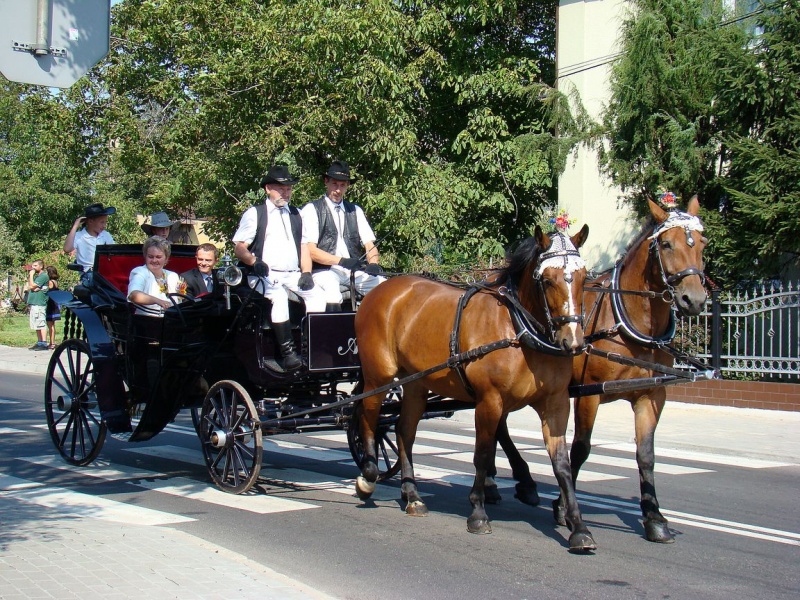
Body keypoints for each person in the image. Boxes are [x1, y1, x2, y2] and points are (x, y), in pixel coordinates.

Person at [233, 165, 326, 370]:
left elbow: (303, 247)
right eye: (281, 188)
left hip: (292, 274)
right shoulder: (255, 213)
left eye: (289, 188)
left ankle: (311, 349)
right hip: (265, 274)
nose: (286, 192)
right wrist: (254, 262)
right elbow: (240, 247)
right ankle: (288, 353)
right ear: (268, 188)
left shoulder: (297, 214)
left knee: (318, 296)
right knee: (279, 296)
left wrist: (307, 272)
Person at [300, 160, 385, 311]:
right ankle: (335, 333)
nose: (338, 190)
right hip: (325, 271)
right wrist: (341, 261)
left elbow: (369, 244)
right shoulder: (312, 209)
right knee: (332, 291)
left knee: (386, 287)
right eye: (335, 184)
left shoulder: (355, 210)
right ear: (326, 182)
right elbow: (311, 251)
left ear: (347, 186)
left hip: (353, 271)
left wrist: (373, 263)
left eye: (342, 185)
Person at [127, 236, 182, 316]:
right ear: (145, 257)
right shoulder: (140, 272)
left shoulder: (173, 276)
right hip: (147, 322)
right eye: (150, 256)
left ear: (166, 259)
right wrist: (158, 301)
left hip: (172, 322)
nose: (154, 260)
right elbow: (134, 295)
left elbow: (180, 301)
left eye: (158, 257)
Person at [63, 202, 116, 282]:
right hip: (88, 274)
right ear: (90, 222)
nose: (104, 225)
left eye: (105, 222)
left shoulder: (106, 235)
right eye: (102, 222)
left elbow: (114, 253)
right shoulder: (79, 236)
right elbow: (67, 249)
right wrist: (75, 226)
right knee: (93, 279)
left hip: (105, 272)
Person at [26, 260, 49, 351]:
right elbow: (30, 287)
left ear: (41, 266)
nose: (33, 267)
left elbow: (31, 286)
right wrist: (33, 285)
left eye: (35, 265)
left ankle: (43, 343)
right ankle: (39, 342)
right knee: (36, 323)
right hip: (34, 303)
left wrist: (31, 276)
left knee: (41, 322)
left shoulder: (43, 276)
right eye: (32, 266)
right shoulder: (38, 277)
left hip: (40, 303)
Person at [45, 266, 61, 350]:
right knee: (52, 325)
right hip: (55, 303)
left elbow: (45, 289)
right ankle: (52, 342)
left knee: (50, 324)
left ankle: (52, 342)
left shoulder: (50, 282)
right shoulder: (55, 282)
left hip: (51, 304)